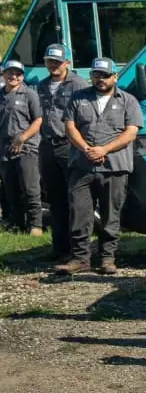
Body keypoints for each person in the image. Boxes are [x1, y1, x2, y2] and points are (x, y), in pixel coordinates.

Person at [57, 58, 141, 276]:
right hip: (81, 166)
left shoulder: (128, 101)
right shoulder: (78, 97)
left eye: (105, 75)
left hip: (115, 166)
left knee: (110, 215)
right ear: (91, 76)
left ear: (115, 76)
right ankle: (80, 259)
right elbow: (69, 127)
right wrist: (87, 149)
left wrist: (104, 150)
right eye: (96, 75)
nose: (100, 79)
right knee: (79, 213)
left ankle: (107, 258)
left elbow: (131, 132)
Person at [36, 44, 90, 261]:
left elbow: (86, 116)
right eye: (49, 61)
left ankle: (77, 251)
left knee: (75, 198)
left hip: (69, 146)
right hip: (47, 146)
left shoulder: (78, 84)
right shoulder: (41, 85)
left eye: (57, 61)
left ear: (67, 62)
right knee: (55, 199)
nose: (53, 65)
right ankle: (59, 248)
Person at [1, 59, 44, 235]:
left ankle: (35, 225)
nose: (13, 76)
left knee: (30, 188)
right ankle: (16, 224)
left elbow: (38, 120)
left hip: (27, 149)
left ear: (22, 77)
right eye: (10, 73)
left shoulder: (29, 94)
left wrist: (23, 138)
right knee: (10, 190)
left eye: (17, 74)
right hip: (4, 149)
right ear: (4, 74)